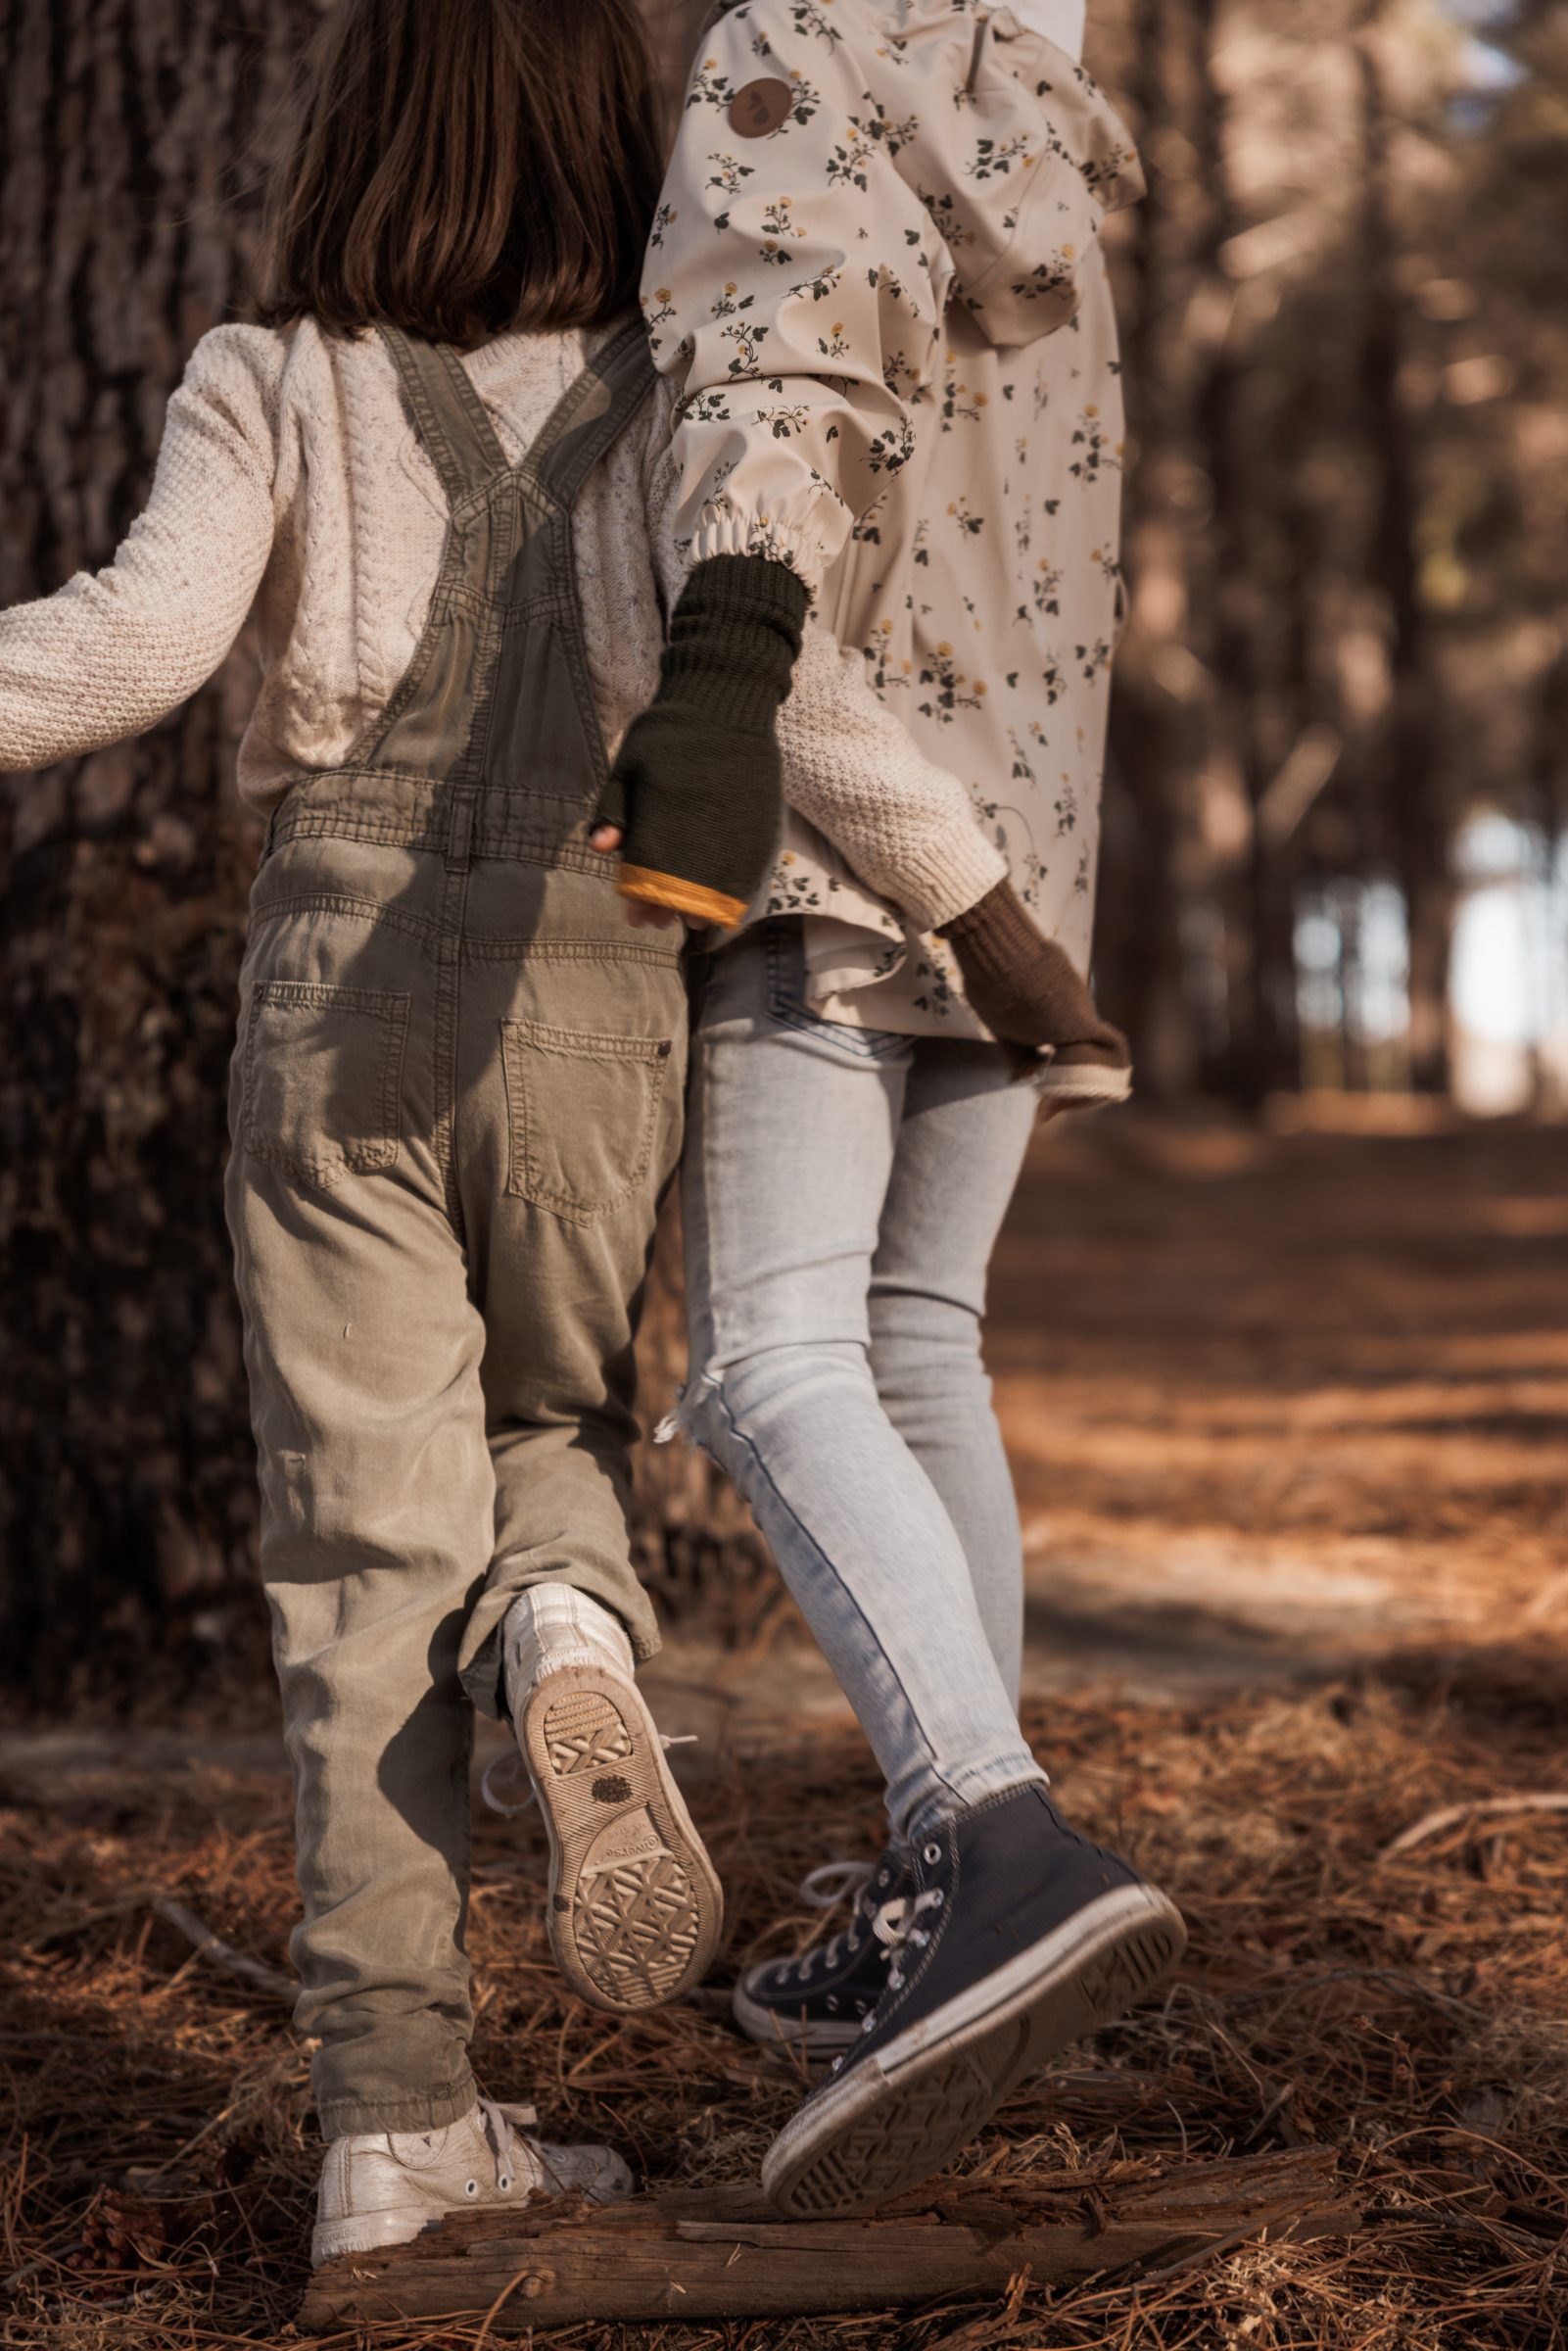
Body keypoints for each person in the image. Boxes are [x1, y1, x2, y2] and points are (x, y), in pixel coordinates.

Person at [0, 0, 1114, 2264]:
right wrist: (989, 919)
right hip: (601, 982)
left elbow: (130, 642)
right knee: (551, 1429)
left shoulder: (274, 365)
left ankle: (396, 2130)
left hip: (337, 988)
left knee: (347, 1560)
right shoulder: (676, 393)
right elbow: (796, 690)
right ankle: (578, 1643)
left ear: (356, 128)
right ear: (626, 130)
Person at [612, 0, 1186, 2219]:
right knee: (918, 1338)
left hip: (836, 810)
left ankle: (991, 1836)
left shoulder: (796, 43)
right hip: (1024, 837)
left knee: (766, 1353)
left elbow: (781, 375)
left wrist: (730, 669)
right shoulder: (1053, 126)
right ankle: (945, 1883)